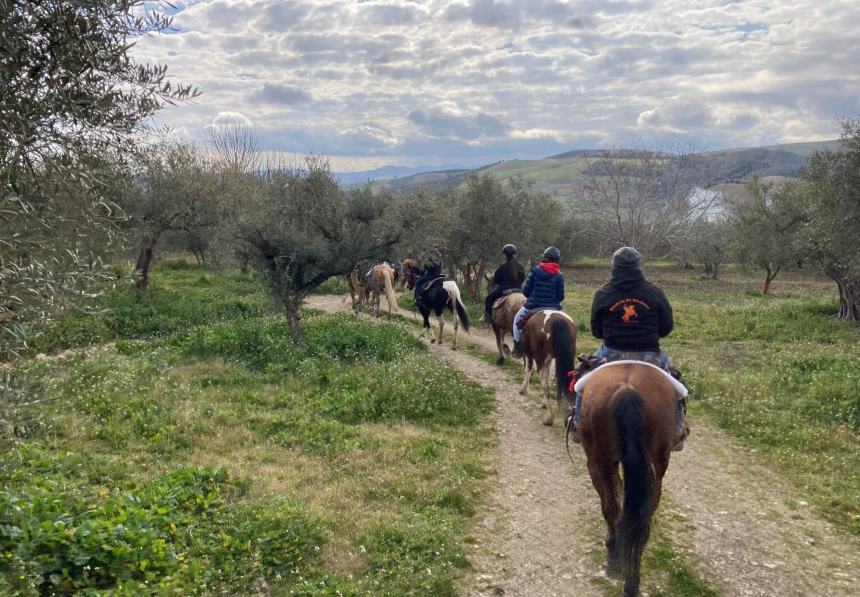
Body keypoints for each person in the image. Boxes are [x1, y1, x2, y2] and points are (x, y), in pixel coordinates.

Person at [569, 246, 687, 450]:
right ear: (638, 267)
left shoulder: (603, 292)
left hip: (611, 353)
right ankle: (677, 429)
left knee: (581, 382)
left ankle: (578, 423)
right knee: (678, 386)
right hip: (650, 354)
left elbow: (597, 331)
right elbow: (666, 327)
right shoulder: (655, 292)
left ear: (614, 267)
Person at [511, 246, 565, 358]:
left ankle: (517, 347)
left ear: (545, 257)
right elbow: (560, 297)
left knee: (517, 320)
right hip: (553, 307)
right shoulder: (559, 275)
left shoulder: (534, 272)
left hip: (533, 306)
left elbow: (525, 292)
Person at [482, 244, 526, 323]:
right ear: (514, 254)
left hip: (504, 289)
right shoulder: (520, 266)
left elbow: (496, 280)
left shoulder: (503, 267)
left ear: (505, 255)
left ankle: (487, 318)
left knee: (488, 299)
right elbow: (523, 278)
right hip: (518, 289)